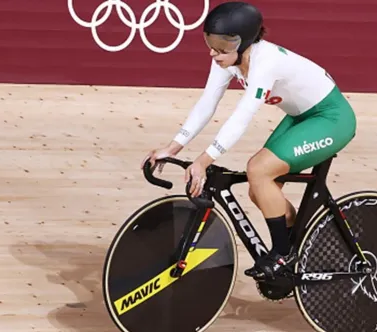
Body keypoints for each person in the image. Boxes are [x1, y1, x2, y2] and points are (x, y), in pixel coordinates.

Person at [141, 1, 357, 280]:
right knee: (260, 190)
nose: (213, 51)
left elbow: (242, 115)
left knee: (258, 170)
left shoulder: (265, 63)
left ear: (244, 43)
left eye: (222, 44)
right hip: (301, 117)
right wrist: (172, 147)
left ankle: (282, 254)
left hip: (331, 119)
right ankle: (299, 245)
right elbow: (207, 103)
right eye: (210, 41)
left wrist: (205, 159)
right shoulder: (227, 60)